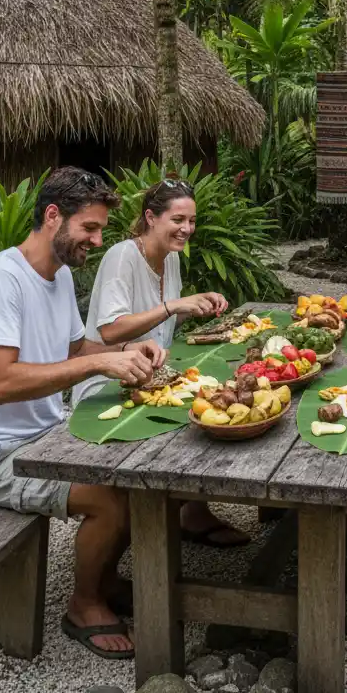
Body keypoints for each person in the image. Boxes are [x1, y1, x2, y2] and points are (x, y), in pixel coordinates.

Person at [0, 166, 168, 660]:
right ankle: (83, 605)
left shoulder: (60, 275)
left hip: (44, 434)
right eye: (89, 228)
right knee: (110, 500)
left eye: (100, 230)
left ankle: (103, 577)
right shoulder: (0, 281)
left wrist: (130, 349)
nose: (97, 241)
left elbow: (76, 350)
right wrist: (98, 364)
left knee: (137, 471)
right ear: (52, 216)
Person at [73, 177, 249, 548]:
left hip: (154, 377)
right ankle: (162, 525)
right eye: (178, 220)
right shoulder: (122, 256)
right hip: (109, 383)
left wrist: (195, 305)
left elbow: (160, 324)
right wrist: (174, 305)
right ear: (151, 218)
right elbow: (110, 329)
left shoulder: (170, 258)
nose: (187, 229)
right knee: (201, 418)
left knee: (217, 397)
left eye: (192, 221)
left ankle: (193, 511)